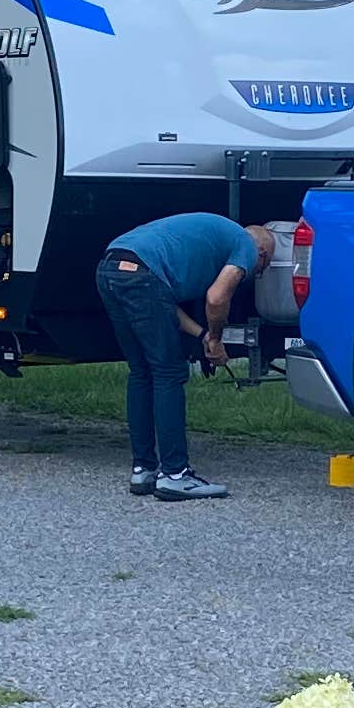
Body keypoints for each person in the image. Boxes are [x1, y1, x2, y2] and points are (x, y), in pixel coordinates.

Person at [94, 208, 257, 501]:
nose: (253, 273)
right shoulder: (247, 245)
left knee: (141, 371)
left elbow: (160, 300)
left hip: (112, 266)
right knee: (169, 372)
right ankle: (176, 475)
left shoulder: (205, 237)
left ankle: (143, 469)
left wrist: (203, 336)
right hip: (143, 274)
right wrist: (218, 339)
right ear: (263, 254)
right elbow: (217, 297)